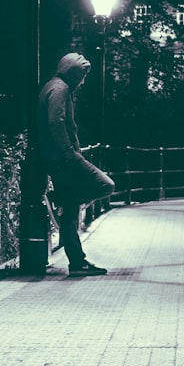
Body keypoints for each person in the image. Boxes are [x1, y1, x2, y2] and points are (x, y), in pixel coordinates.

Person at [36, 52, 115, 276]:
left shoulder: (52, 86)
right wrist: (68, 151)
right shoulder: (60, 89)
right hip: (64, 158)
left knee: (70, 215)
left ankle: (77, 262)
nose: (83, 81)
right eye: (82, 76)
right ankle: (59, 198)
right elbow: (56, 122)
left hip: (55, 158)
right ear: (73, 73)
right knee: (105, 185)